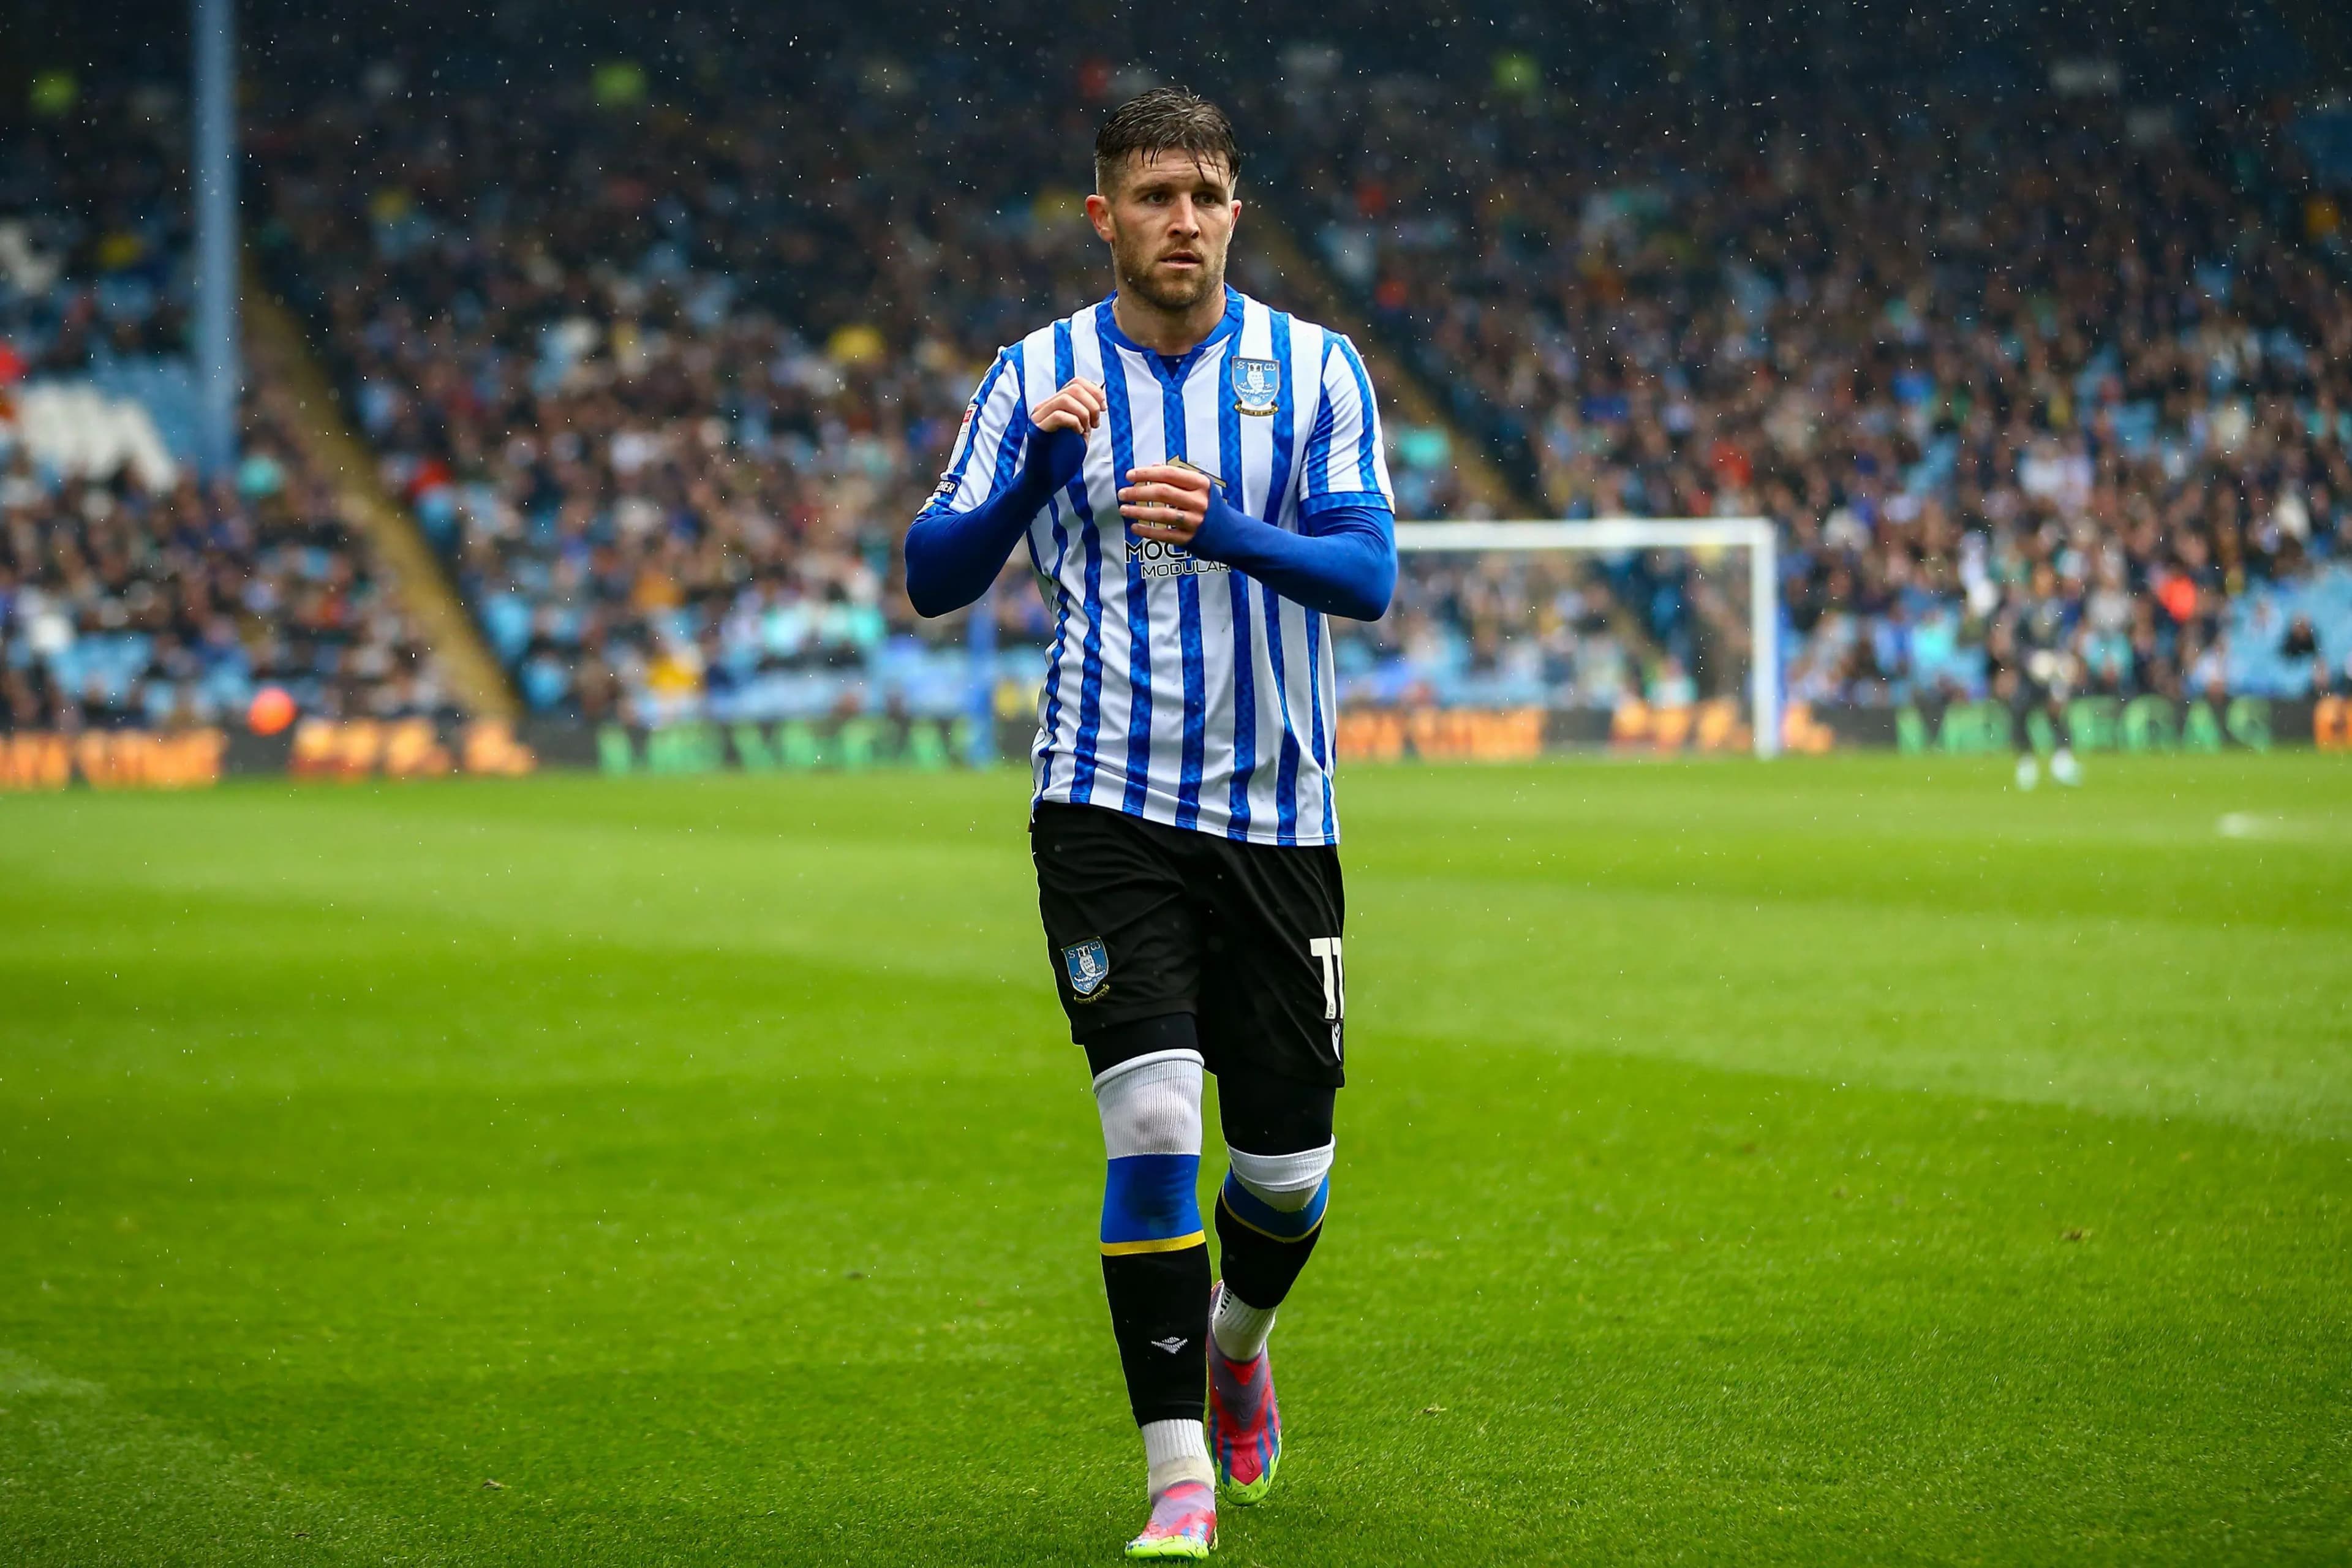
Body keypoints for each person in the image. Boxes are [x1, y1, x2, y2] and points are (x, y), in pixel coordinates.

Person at [903, 86, 1396, 1560]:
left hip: (1276, 810)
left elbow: (1368, 574)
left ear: (1236, 209)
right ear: (1101, 214)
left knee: (1288, 1171)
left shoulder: (1317, 371)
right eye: (1153, 194)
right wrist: (1034, 485)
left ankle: (1238, 1342)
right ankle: (1175, 1471)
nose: (1182, 219)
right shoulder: (1037, 374)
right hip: (1102, 801)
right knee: (1156, 1115)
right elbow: (934, 572)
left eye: (1206, 193)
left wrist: (1226, 528)